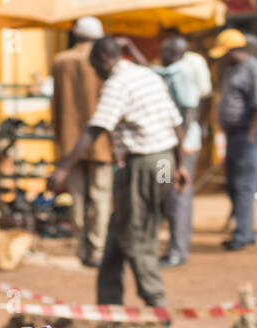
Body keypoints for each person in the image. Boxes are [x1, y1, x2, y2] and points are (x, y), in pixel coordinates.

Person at [49, 36, 188, 309]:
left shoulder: (117, 84)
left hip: (143, 164)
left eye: (95, 67)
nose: (96, 74)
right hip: (164, 162)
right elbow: (177, 124)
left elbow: (96, 128)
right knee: (120, 227)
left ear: (103, 60)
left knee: (138, 232)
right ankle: (109, 303)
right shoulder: (146, 75)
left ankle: (156, 303)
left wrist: (63, 167)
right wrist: (181, 165)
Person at [51, 16, 112, 267]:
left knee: (77, 197)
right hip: (100, 139)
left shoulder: (61, 61)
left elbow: (55, 103)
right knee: (100, 197)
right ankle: (97, 250)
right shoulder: (103, 59)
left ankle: (81, 248)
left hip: (69, 141)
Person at [211, 29, 257, 250]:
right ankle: (245, 231)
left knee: (245, 185)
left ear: (236, 50)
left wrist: (252, 135)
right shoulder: (231, 69)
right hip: (234, 135)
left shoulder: (254, 69)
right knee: (233, 184)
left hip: (249, 134)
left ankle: (243, 235)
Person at [155, 35, 201, 267]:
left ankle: (177, 251)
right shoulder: (169, 71)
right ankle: (171, 247)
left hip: (181, 148)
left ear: (172, 52)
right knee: (165, 193)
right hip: (168, 146)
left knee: (177, 196)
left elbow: (189, 110)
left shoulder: (183, 73)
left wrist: (179, 148)